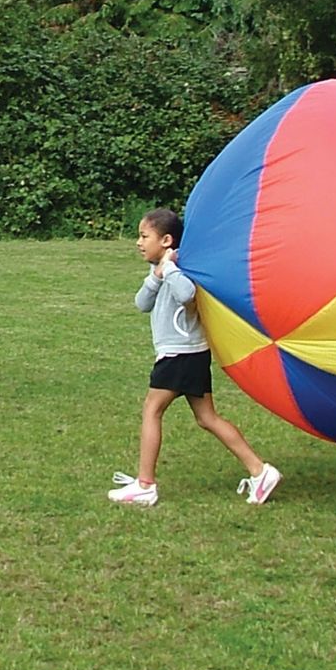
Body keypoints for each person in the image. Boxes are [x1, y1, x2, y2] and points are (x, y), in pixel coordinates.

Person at [108, 207, 282, 508]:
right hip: (189, 354)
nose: (138, 242)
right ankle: (260, 471)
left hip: (180, 354)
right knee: (207, 418)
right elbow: (141, 303)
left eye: (143, 236)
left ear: (165, 240)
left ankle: (145, 485)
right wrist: (157, 275)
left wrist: (171, 270)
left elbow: (187, 294)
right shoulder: (161, 268)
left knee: (152, 410)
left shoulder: (182, 269)